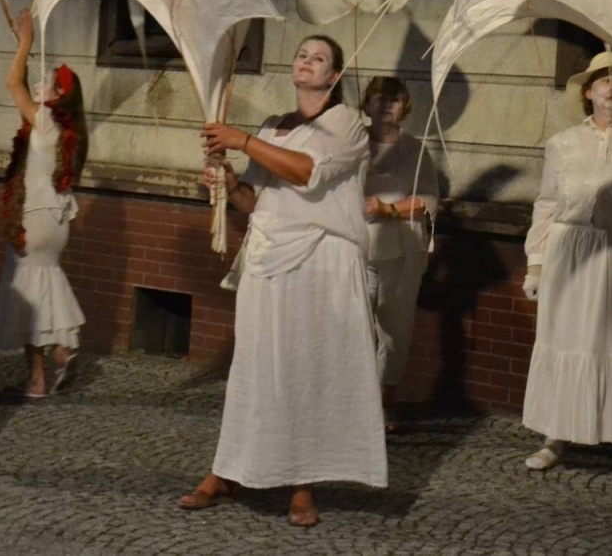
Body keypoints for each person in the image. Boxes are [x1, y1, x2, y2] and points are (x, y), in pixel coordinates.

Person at [180, 35, 383, 527]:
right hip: (269, 257)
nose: (306, 61)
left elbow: (308, 173)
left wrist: (242, 140)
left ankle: (303, 484)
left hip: (322, 261)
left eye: (318, 58)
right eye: (301, 54)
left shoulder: (349, 122)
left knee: (307, 368)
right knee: (254, 365)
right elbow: (257, 198)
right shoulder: (274, 125)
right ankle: (227, 470)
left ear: (334, 77)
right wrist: (229, 182)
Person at [522, 51, 612, 476]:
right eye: (605, 81)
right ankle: (556, 436)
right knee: (566, 339)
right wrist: (536, 264)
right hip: (571, 252)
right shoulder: (564, 143)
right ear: (588, 93)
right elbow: (547, 203)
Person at [0, 7, 88, 397]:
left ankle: (39, 377)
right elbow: (23, 81)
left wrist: (27, 41)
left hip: (33, 218)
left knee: (28, 293)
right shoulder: (69, 129)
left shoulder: (46, 122)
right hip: (56, 221)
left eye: (45, 84)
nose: (36, 88)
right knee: (46, 281)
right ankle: (63, 349)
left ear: (57, 96)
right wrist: (23, 46)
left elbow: (12, 81)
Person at [362, 75, 440, 431]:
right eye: (379, 99)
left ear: (404, 107)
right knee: (354, 325)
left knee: (394, 329)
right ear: (367, 105)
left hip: (402, 250)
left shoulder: (414, 149)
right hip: (356, 247)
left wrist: (387, 210)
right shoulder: (353, 144)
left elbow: (428, 200)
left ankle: (383, 404)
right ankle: (351, 403)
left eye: (394, 100)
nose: (386, 106)